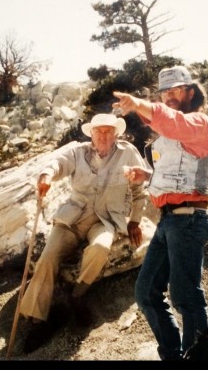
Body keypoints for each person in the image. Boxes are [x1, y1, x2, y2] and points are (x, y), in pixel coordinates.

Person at [113, 65, 208, 360]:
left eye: (175, 90)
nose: (169, 96)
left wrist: (139, 105)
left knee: (186, 295)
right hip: (169, 221)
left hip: (189, 218)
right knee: (146, 293)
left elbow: (172, 122)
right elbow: (177, 175)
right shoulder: (171, 134)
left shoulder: (200, 123)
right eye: (164, 92)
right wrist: (145, 176)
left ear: (190, 92)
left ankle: (201, 357)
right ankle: (175, 355)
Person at [19, 113, 147, 353]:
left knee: (100, 248)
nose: (104, 135)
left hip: (105, 220)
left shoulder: (128, 153)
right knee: (47, 259)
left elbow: (140, 190)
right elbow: (56, 163)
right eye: (99, 131)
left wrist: (135, 221)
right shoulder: (78, 152)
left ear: (116, 134)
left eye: (109, 131)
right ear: (92, 133)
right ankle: (35, 320)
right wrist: (46, 176)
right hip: (73, 218)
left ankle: (77, 295)